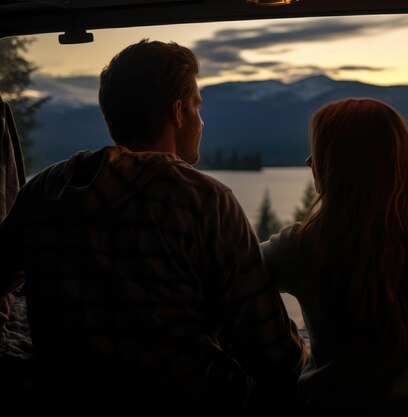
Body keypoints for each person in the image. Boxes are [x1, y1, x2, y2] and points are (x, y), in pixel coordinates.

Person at [0, 39, 307, 416]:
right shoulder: (203, 200)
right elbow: (273, 353)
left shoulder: (45, 189)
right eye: (197, 106)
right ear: (177, 113)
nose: (201, 119)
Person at [261, 97, 408, 417]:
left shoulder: (302, 244)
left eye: (319, 151)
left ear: (339, 165)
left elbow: (233, 270)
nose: (309, 161)